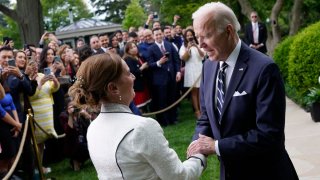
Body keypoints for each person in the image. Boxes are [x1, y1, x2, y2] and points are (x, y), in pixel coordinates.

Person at [187, 2, 298, 180]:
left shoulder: (264, 69)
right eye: (197, 37)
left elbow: (269, 136)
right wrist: (197, 145)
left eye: (206, 36)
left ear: (229, 31)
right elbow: (207, 116)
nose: (201, 45)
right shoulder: (208, 65)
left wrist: (216, 146)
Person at [68, 52, 206, 179]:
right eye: (128, 73)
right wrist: (199, 157)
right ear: (113, 88)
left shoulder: (93, 127)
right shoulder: (141, 128)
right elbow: (179, 177)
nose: (133, 77)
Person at [179, 29, 204, 119]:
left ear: (193, 35)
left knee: (202, 91)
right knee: (194, 92)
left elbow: (202, 56)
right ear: (185, 37)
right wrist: (188, 48)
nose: (189, 37)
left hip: (200, 68)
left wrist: (196, 47)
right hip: (190, 70)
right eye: (187, 35)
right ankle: (197, 111)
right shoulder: (183, 47)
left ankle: (203, 110)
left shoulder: (199, 44)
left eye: (191, 35)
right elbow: (184, 58)